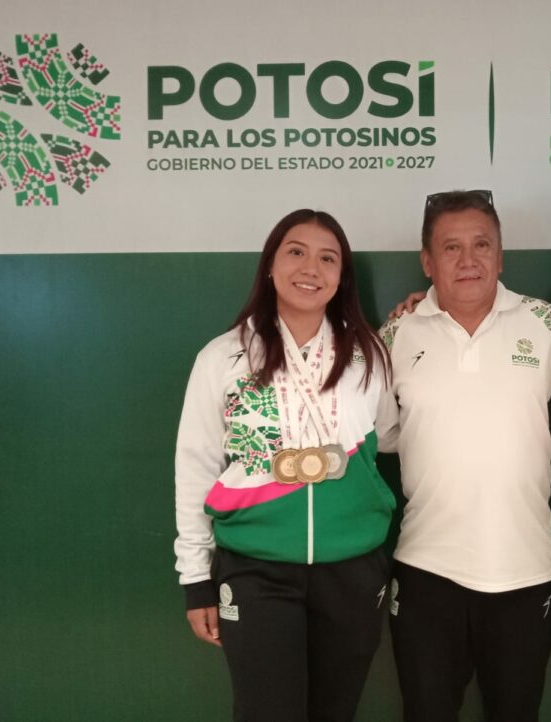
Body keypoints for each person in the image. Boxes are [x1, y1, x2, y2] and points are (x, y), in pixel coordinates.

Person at [173, 209, 394, 722]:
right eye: (296, 252)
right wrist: (195, 577)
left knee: (335, 712)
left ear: (341, 277)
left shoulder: (368, 355)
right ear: (270, 265)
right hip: (256, 569)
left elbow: (389, 437)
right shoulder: (222, 359)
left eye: (327, 258)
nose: (311, 268)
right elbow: (196, 466)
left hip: (353, 569)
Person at [376, 190, 551, 722]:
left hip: (524, 572)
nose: (468, 260)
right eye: (451, 247)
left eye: (482, 245)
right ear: (427, 261)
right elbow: (383, 436)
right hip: (424, 569)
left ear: (501, 254)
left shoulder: (546, 324)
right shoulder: (396, 334)